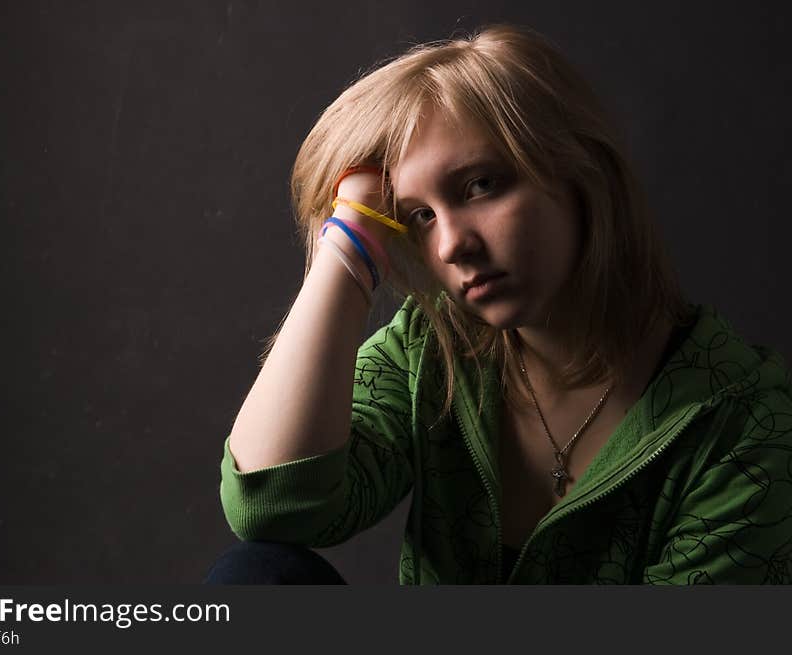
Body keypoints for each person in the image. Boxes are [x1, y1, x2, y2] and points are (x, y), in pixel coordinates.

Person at [208, 24, 792, 584]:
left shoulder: (744, 422)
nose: (452, 244)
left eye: (481, 185)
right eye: (419, 216)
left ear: (579, 173)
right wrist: (351, 242)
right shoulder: (432, 349)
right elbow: (273, 506)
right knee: (257, 577)